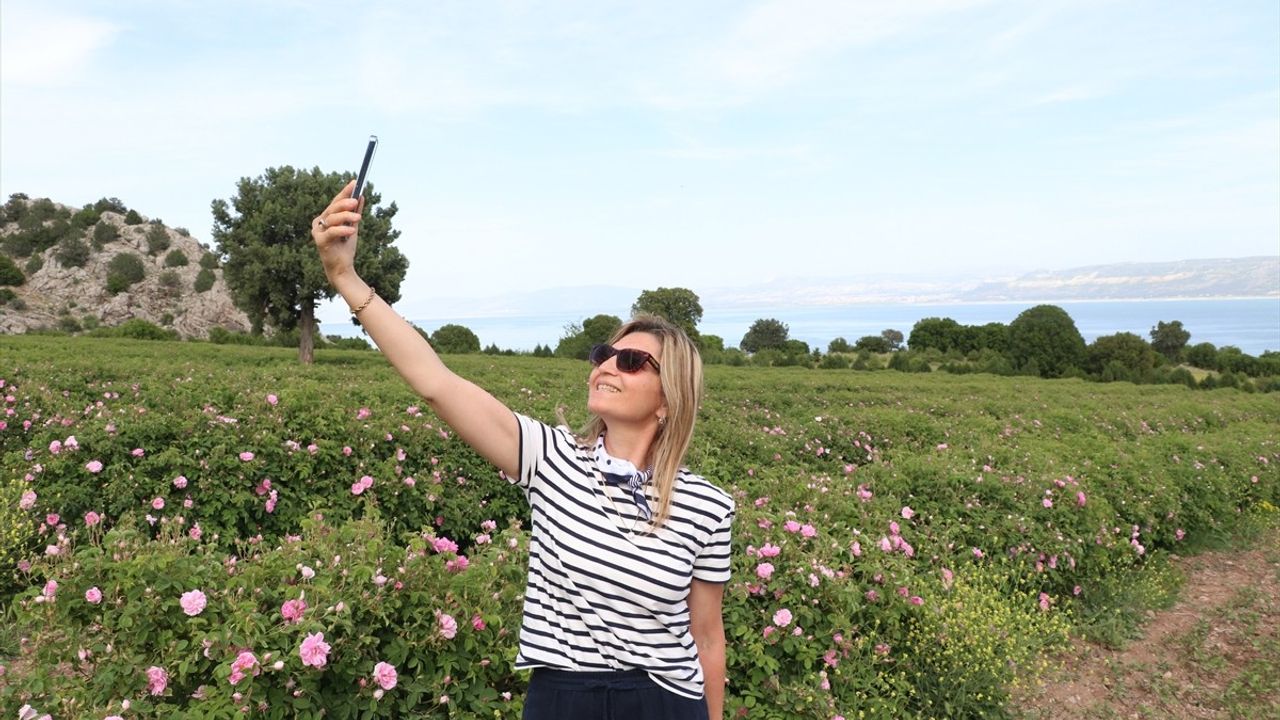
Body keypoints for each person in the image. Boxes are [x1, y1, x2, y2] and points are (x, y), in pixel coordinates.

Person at [311, 181, 735, 719]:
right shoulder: (550, 458)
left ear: (670, 399)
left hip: (667, 704)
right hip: (563, 698)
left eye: (632, 362)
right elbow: (435, 382)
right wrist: (344, 277)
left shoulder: (708, 506)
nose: (607, 365)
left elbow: (707, 636)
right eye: (605, 353)